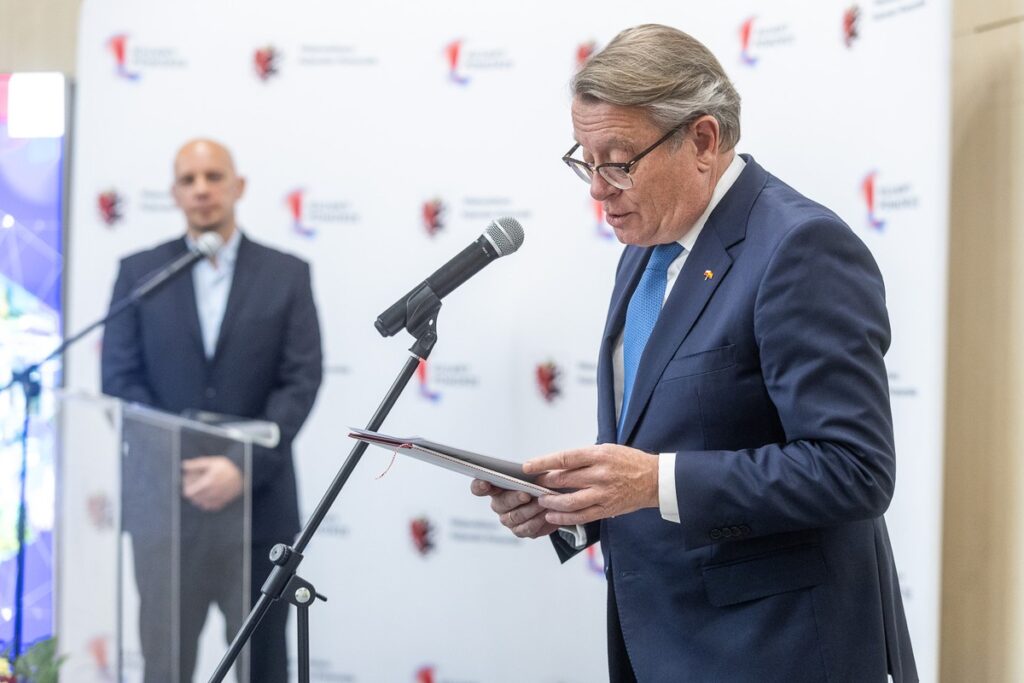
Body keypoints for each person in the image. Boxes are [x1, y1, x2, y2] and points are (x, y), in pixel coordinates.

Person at [472, 24, 917, 682]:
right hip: (664, 644)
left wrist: (654, 481)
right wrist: (572, 504)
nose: (597, 189)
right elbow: (650, 448)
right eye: (584, 161)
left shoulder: (800, 248)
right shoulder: (644, 253)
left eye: (619, 161)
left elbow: (853, 468)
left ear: (703, 140)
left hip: (778, 652)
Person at [102, 139, 323, 682]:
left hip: (259, 513)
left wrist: (238, 467)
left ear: (237, 186)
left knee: (262, 666)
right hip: (165, 510)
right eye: (189, 179)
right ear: (175, 193)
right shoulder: (140, 274)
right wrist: (179, 463)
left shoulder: (286, 274)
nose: (202, 188)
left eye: (213, 176)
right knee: (165, 664)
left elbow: (300, 382)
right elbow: (119, 380)